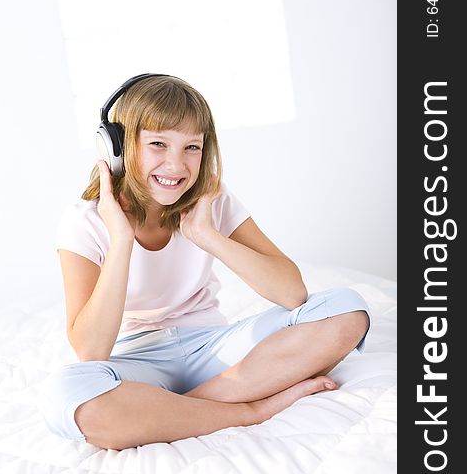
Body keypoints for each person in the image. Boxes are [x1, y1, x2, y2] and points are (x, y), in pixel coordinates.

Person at [38, 74, 371, 451]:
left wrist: (207, 235)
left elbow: (293, 293)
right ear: (118, 147)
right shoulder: (84, 221)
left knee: (347, 311)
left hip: (214, 347)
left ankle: (176, 410)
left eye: (191, 147)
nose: (176, 165)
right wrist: (121, 241)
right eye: (158, 144)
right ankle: (245, 410)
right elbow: (91, 352)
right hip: (138, 362)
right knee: (66, 395)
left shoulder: (212, 200)